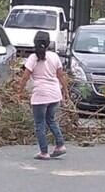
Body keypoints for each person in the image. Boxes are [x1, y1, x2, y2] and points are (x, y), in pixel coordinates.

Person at [15, 31, 68, 160]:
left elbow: (25, 77)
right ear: (49, 43)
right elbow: (60, 75)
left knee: (40, 123)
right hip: (55, 94)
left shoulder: (33, 58)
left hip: (40, 95)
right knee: (51, 120)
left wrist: (19, 92)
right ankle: (60, 145)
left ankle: (44, 152)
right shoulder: (54, 57)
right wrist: (65, 90)